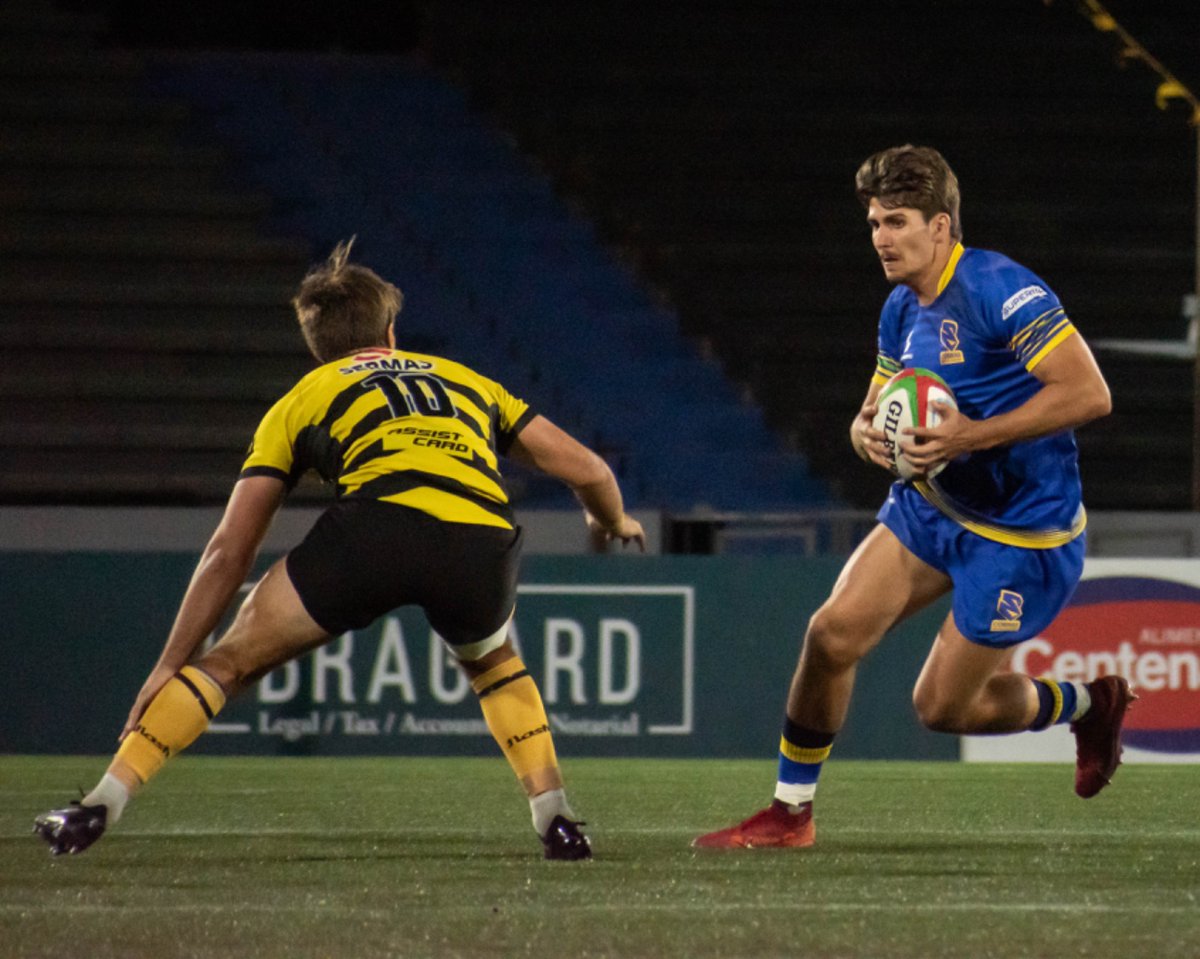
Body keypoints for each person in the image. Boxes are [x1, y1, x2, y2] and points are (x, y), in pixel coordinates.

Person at [34, 239, 645, 860]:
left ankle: (98, 807)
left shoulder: (303, 398)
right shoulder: (467, 380)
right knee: (495, 666)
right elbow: (590, 469)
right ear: (392, 329)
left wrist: (172, 661)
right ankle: (557, 821)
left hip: (376, 529)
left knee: (230, 662)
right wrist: (610, 522)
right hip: (480, 538)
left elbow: (229, 550)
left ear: (318, 344)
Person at [694, 144, 1128, 850]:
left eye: (896, 221)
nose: (881, 239)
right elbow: (875, 408)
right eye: (873, 223)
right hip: (934, 507)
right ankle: (789, 814)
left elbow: (1089, 393)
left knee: (941, 707)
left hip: (1021, 537)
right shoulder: (901, 308)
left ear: (942, 227)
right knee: (830, 634)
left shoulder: (1000, 289)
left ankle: (1088, 701)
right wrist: (866, 434)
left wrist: (969, 437)